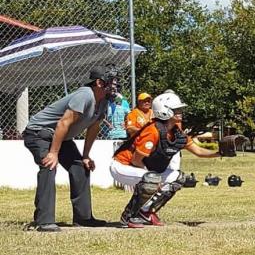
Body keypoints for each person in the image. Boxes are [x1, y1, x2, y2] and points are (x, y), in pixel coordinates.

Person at [22, 65, 117, 232]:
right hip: (38, 133)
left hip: (60, 137)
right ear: (99, 83)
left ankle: (83, 218)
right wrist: (53, 153)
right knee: (49, 165)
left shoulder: (104, 101)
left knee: (80, 167)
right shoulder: (85, 95)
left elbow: (94, 127)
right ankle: (44, 221)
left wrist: (86, 155)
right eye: (111, 81)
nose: (115, 84)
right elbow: (63, 123)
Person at [110, 91, 225, 228]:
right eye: (176, 109)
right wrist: (152, 178)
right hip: (122, 166)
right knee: (151, 179)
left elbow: (198, 151)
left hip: (138, 167)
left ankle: (146, 212)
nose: (180, 112)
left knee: (178, 178)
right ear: (164, 111)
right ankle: (129, 216)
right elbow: (136, 160)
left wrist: (220, 153)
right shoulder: (152, 131)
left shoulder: (175, 132)